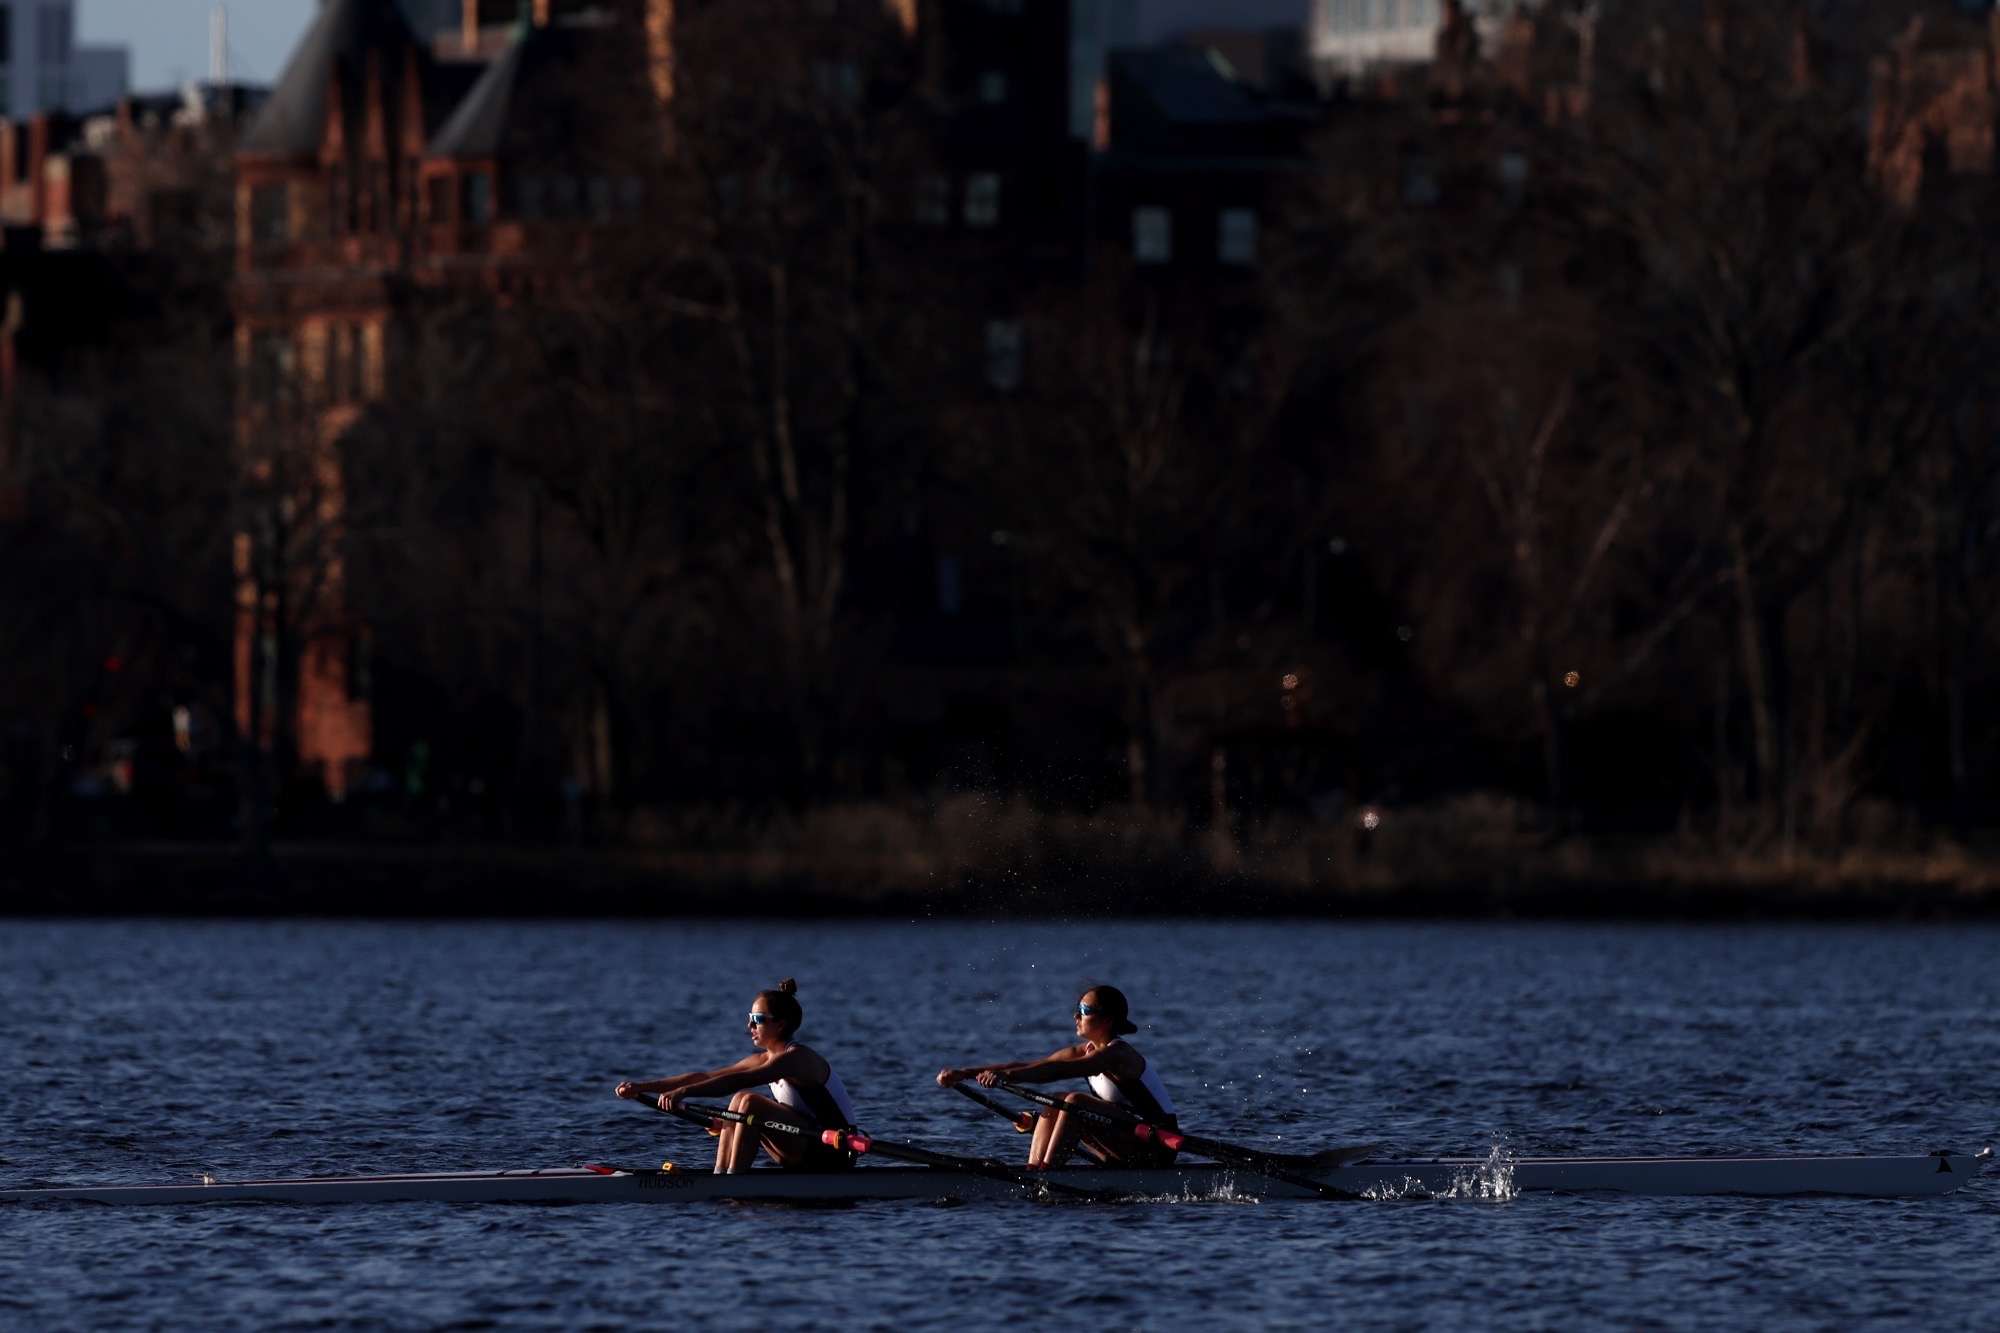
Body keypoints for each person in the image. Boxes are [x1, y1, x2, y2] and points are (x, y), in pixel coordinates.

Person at [615, 978, 860, 1173]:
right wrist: (642, 1087)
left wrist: (683, 1092)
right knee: (739, 1101)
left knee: (749, 1101)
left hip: (835, 1152)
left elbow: (739, 1081)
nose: (750, 1026)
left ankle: (733, 1180)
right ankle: (722, 1175)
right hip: (805, 1145)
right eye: (750, 1019)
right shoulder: (765, 1059)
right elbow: (705, 1077)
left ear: (781, 1025)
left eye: (758, 1020)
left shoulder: (797, 1058)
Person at [936, 984, 1178, 1169]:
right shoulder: (1085, 1050)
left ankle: (1048, 1175)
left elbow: (1057, 1071)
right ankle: (1034, 1171)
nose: (1076, 1016)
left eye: (1084, 1011)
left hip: (1157, 1147)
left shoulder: (1117, 1054)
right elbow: (1031, 1066)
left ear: (1108, 1019)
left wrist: (1004, 1076)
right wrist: (965, 1073)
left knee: (1074, 1102)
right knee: (1056, 1101)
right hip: (1124, 1143)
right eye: (1077, 1010)